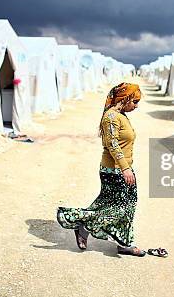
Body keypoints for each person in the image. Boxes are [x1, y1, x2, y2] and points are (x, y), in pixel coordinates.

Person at [57, 82, 146, 256]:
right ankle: (80, 221)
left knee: (120, 205)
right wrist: (125, 169)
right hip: (114, 171)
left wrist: (127, 168)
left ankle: (123, 243)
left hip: (124, 169)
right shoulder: (111, 117)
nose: (136, 106)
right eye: (135, 101)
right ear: (125, 98)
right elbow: (112, 145)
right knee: (120, 207)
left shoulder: (121, 115)